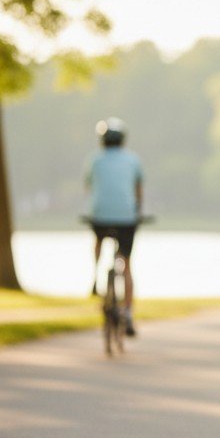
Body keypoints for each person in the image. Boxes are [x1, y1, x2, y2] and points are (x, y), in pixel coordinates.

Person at [84, 117, 143, 335]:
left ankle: (95, 274)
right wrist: (137, 211)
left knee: (98, 239)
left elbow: (89, 187)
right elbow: (138, 190)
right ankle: (127, 313)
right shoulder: (133, 160)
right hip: (127, 219)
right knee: (126, 265)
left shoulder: (95, 160)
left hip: (99, 216)